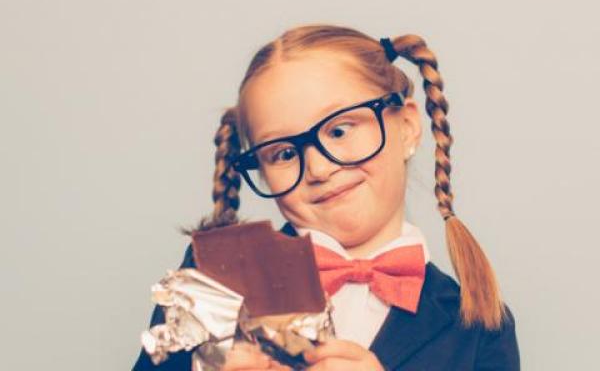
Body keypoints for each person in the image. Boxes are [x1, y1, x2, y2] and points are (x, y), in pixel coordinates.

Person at [133, 25, 521, 370]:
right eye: (284, 153)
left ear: (406, 127)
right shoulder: (213, 281)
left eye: (339, 131)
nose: (318, 169)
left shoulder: (478, 325)